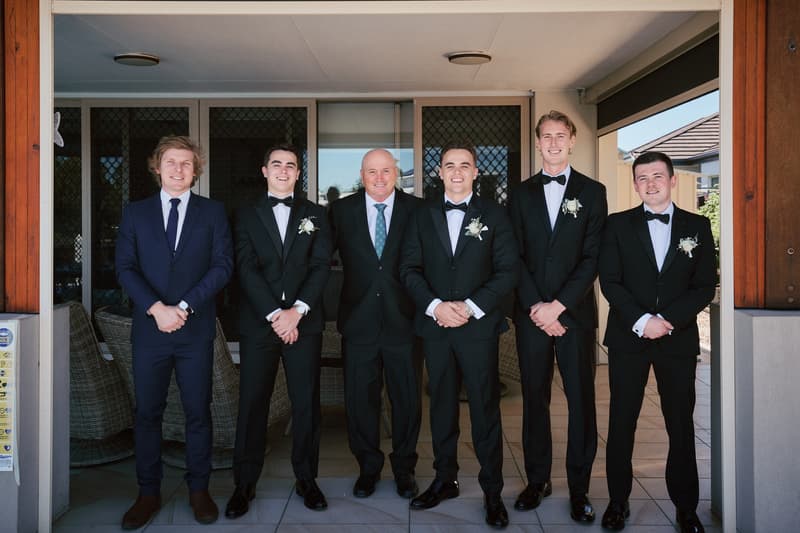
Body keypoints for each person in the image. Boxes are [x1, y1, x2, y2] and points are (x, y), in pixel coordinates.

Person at [115, 135, 234, 529]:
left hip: (194, 330)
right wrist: (156, 308)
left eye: (186, 163)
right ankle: (148, 493)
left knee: (198, 412)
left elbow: (222, 267)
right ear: (157, 166)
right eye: (171, 162)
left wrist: (182, 307)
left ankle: (199, 491)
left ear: (195, 170)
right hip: (150, 332)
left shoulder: (213, 212)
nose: (178, 169)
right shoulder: (136, 213)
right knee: (148, 413)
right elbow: (125, 268)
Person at [400, 141, 517, 529]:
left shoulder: (495, 215)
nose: (456, 171)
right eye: (449, 165)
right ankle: (444, 479)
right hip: (435, 327)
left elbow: (506, 270)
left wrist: (469, 307)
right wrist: (435, 306)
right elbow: (410, 269)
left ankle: (492, 491)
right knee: (442, 408)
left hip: (477, 328)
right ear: (439, 172)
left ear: (475, 172)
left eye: (464, 165)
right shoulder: (422, 215)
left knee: (485, 409)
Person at [599, 151, 714, 533]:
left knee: (680, 425)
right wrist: (641, 320)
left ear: (672, 179)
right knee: (621, 423)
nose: (650, 183)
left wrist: (667, 321)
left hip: (676, 340)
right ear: (634, 184)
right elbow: (610, 280)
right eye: (642, 178)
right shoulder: (617, 225)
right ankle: (617, 503)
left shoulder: (697, 227)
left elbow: (703, 285)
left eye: (657, 176)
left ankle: (685, 508)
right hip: (629, 339)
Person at [507, 110, 607, 522]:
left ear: (572, 141)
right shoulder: (520, 193)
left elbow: (592, 257)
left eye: (559, 136)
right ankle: (537, 480)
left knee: (581, 401)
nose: (552, 143)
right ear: (537, 143)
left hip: (575, 315)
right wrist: (536, 307)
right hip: (532, 316)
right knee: (534, 399)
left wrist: (559, 306)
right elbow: (512, 255)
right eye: (545, 136)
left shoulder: (593, 191)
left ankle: (579, 488)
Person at [225, 143, 332, 518]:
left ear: (298, 173)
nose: (284, 170)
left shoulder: (316, 214)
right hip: (260, 323)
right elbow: (246, 267)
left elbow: (321, 266)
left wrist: (296, 312)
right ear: (264, 170)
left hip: (304, 324)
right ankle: (244, 483)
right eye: (277, 164)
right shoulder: (246, 214)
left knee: (306, 405)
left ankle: (307, 479)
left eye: (291, 165)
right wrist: (275, 314)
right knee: (253, 404)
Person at [329, 148, 423, 499]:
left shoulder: (418, 210)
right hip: (358, 323)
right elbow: (317, 257)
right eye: (372, 171)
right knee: (360, 402)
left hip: (406, 322)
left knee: (407, 401)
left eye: (386, 170)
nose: (379, 178)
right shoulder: (340, 211)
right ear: (362, 174)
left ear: (396, 173)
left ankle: (404, 469)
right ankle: (368, 468)